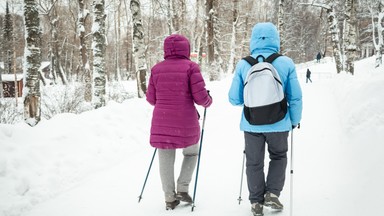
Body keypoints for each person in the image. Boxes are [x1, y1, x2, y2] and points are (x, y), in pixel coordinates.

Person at [228, 22, 302, 216]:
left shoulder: (244, 64)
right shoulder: (286, 63)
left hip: (251, 124)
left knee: (254, 162)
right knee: (278, 156)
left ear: (253, 39)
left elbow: (234, 99)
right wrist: (294, 121)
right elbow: (295, 97)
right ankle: (272, 194)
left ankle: (256, 202)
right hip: (279, 123)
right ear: (275, 38)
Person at [146, 34, 212, 211]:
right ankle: (182, 188)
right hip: (185, 121)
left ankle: (169, 197)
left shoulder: (156, 69)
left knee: (165, 159)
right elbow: (200, 98)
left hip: (162, 120)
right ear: (186, 49)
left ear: (166, 49)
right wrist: (208, 101)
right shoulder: (191, 67)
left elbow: (151, 99)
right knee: (191, 153)